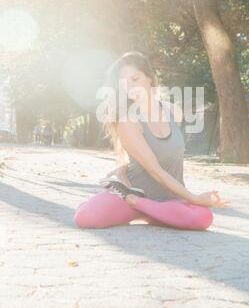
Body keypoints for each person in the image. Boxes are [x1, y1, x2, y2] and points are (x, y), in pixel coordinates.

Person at [74, 51, 229, 230]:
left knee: (203, 218)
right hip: (133, 192)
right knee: (85, 218)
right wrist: (194, 198)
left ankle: (149, 210)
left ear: (149, 78)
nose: (131, 87)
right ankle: (143, 207)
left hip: (170, 198)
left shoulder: (174, 112)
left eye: (135, 79)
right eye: (124, 83)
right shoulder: (128, 121)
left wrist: (124, 166)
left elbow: (165, 154)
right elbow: (155, 170)